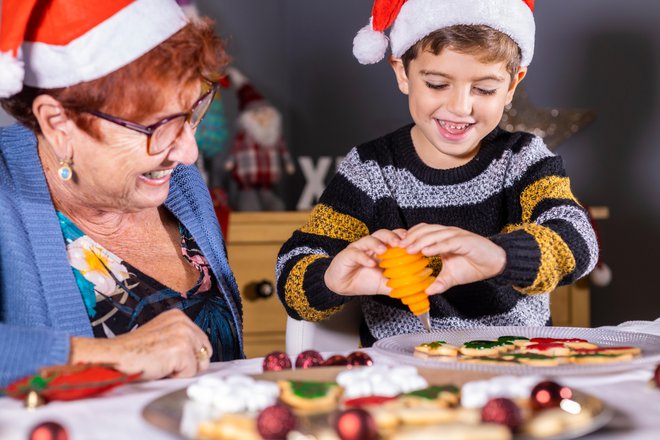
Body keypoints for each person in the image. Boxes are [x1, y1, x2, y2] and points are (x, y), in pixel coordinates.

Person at [276, 0, 599, 346]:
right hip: (403, 376)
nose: (460, 107)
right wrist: (331, 279)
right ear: (403, 72)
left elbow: (579, 241)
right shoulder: (370, 170)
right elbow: (293, 268)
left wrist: (500, 256)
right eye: (436, 84)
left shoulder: (523, 160)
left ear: (512, 85)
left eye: (484, 89)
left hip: (512, 364)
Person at [0, 0, 243, 388]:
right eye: (157, 126)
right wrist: (111, 356)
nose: (189, 152)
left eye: (191, 111)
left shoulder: (180, 182)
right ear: (58, 123)